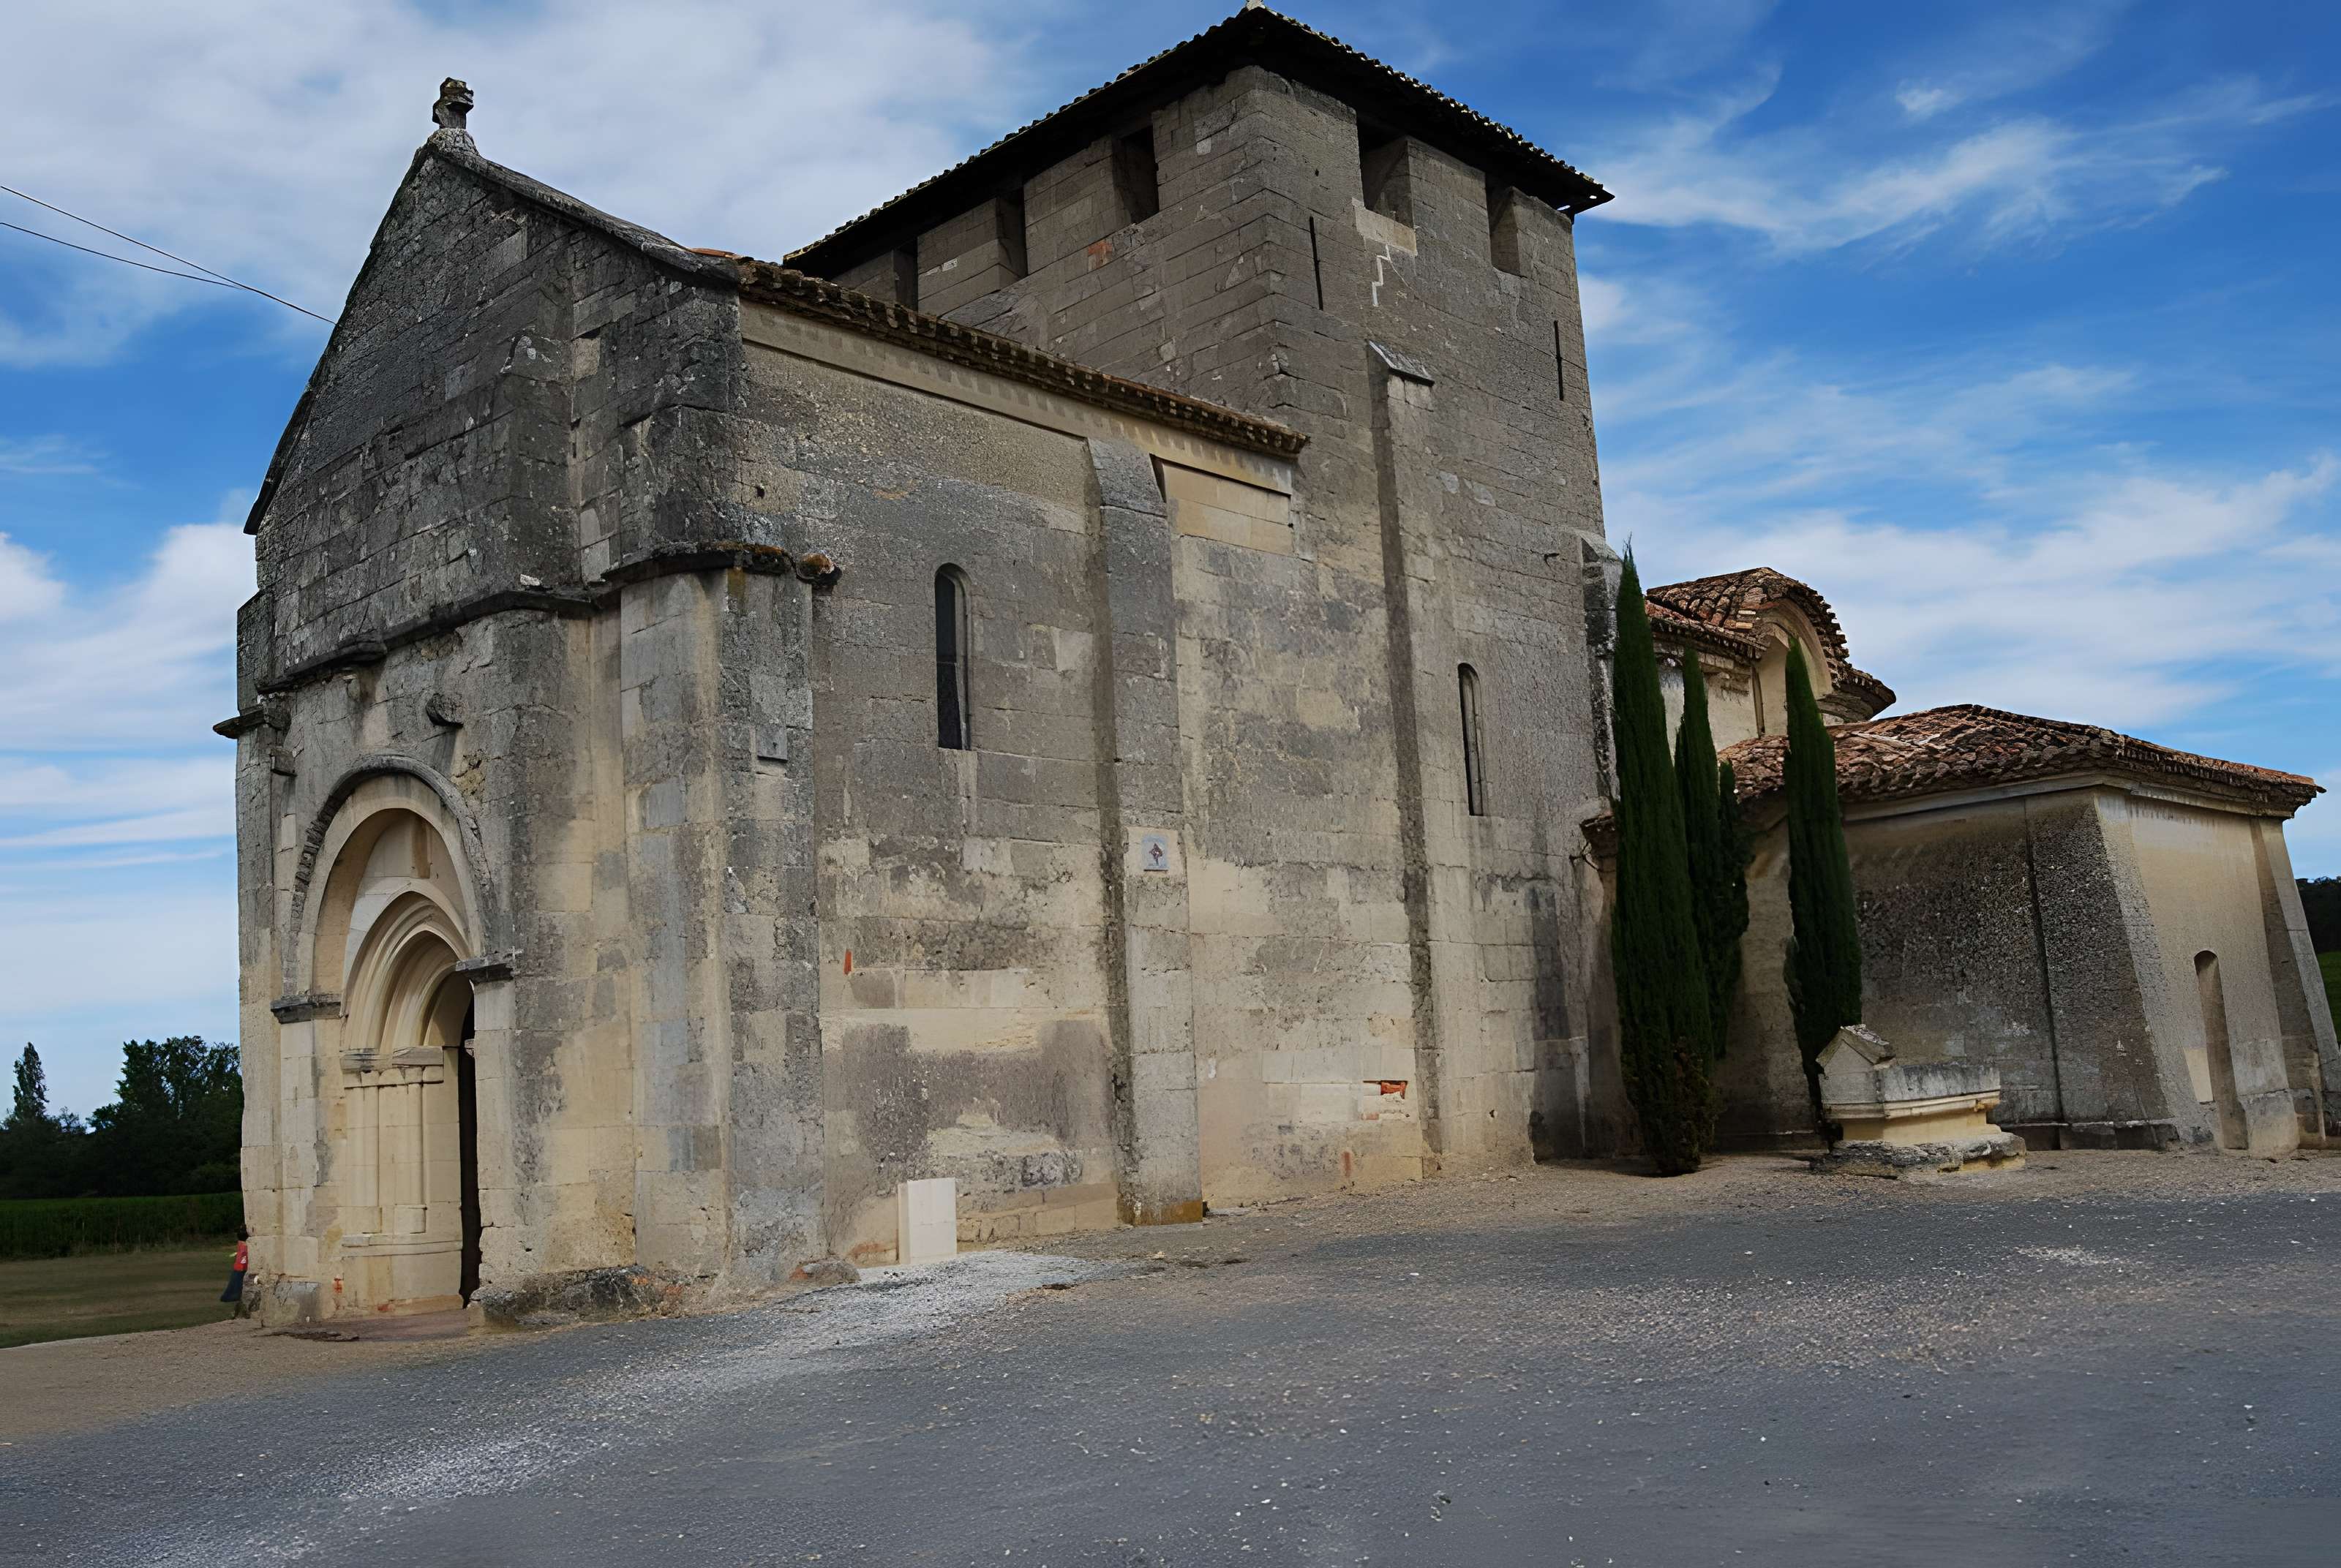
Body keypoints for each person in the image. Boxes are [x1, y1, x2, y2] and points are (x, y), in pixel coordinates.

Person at [220, 1226, 250, 1312]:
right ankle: (232, 1297)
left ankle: (230, 1296)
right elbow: (243, 1259)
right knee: (237, 1284)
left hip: (238, 1267)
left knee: (234, 1283)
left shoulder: (240, 1244)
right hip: (241, 1268)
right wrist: (244, 1266)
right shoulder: (244, 1246)